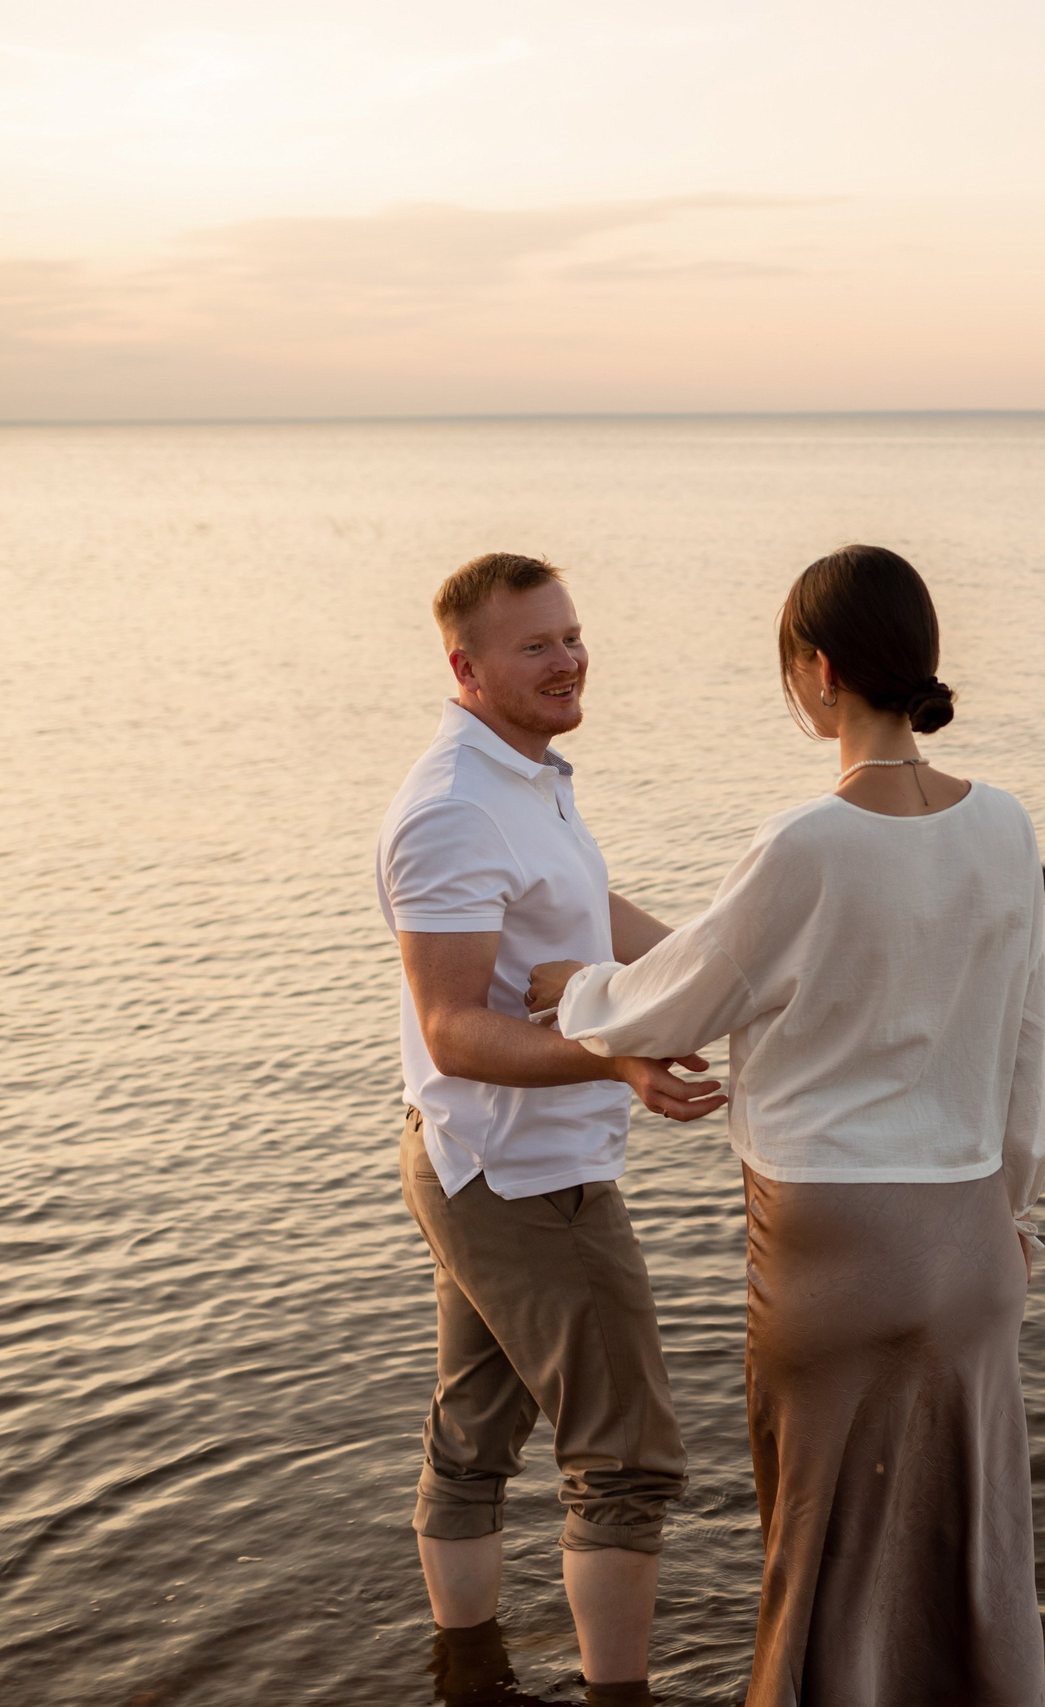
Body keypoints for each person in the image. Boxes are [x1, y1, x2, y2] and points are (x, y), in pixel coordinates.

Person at [525, 544, 1045, 1707]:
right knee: (967, 1538)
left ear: (818, 671)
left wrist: (573, 989)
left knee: (818, 1548)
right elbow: (1034, 1056)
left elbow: (682, 991)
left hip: (832, 1247)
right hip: (975, 1238)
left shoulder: (805, 842)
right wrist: (1015, 1214)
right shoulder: (1010, 828)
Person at [377, 552, 725, 1707]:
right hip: (522, 1176)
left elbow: (594, 913)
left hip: (473, 1157)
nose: (569, 659)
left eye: (571, 635)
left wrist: (730, 976)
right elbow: (456, 1027)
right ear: (464, 668)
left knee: (473, 1432)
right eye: (537, 645)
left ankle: (465, 1675)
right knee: (626, 1459)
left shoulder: (528, 777)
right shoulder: (451, 810)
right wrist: (617, 1056)